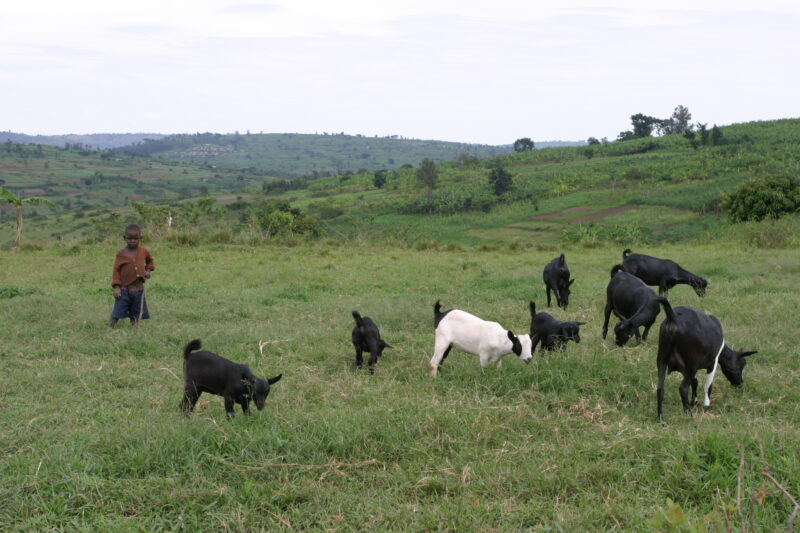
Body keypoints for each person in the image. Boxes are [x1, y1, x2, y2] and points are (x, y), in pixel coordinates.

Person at [109, 224, 155, 327]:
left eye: (135, 238)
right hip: (124, 289)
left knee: (137, 312)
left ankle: (135, 330)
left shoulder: (144, 251)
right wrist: (116, 287)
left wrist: (148, 270)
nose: (132, 241)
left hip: (138, 289)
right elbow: (116, 271)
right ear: (124, 238)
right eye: (129, 238)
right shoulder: (121, 254)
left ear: (140, 238)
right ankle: (109, 327)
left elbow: (150, 260)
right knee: (118, 311)